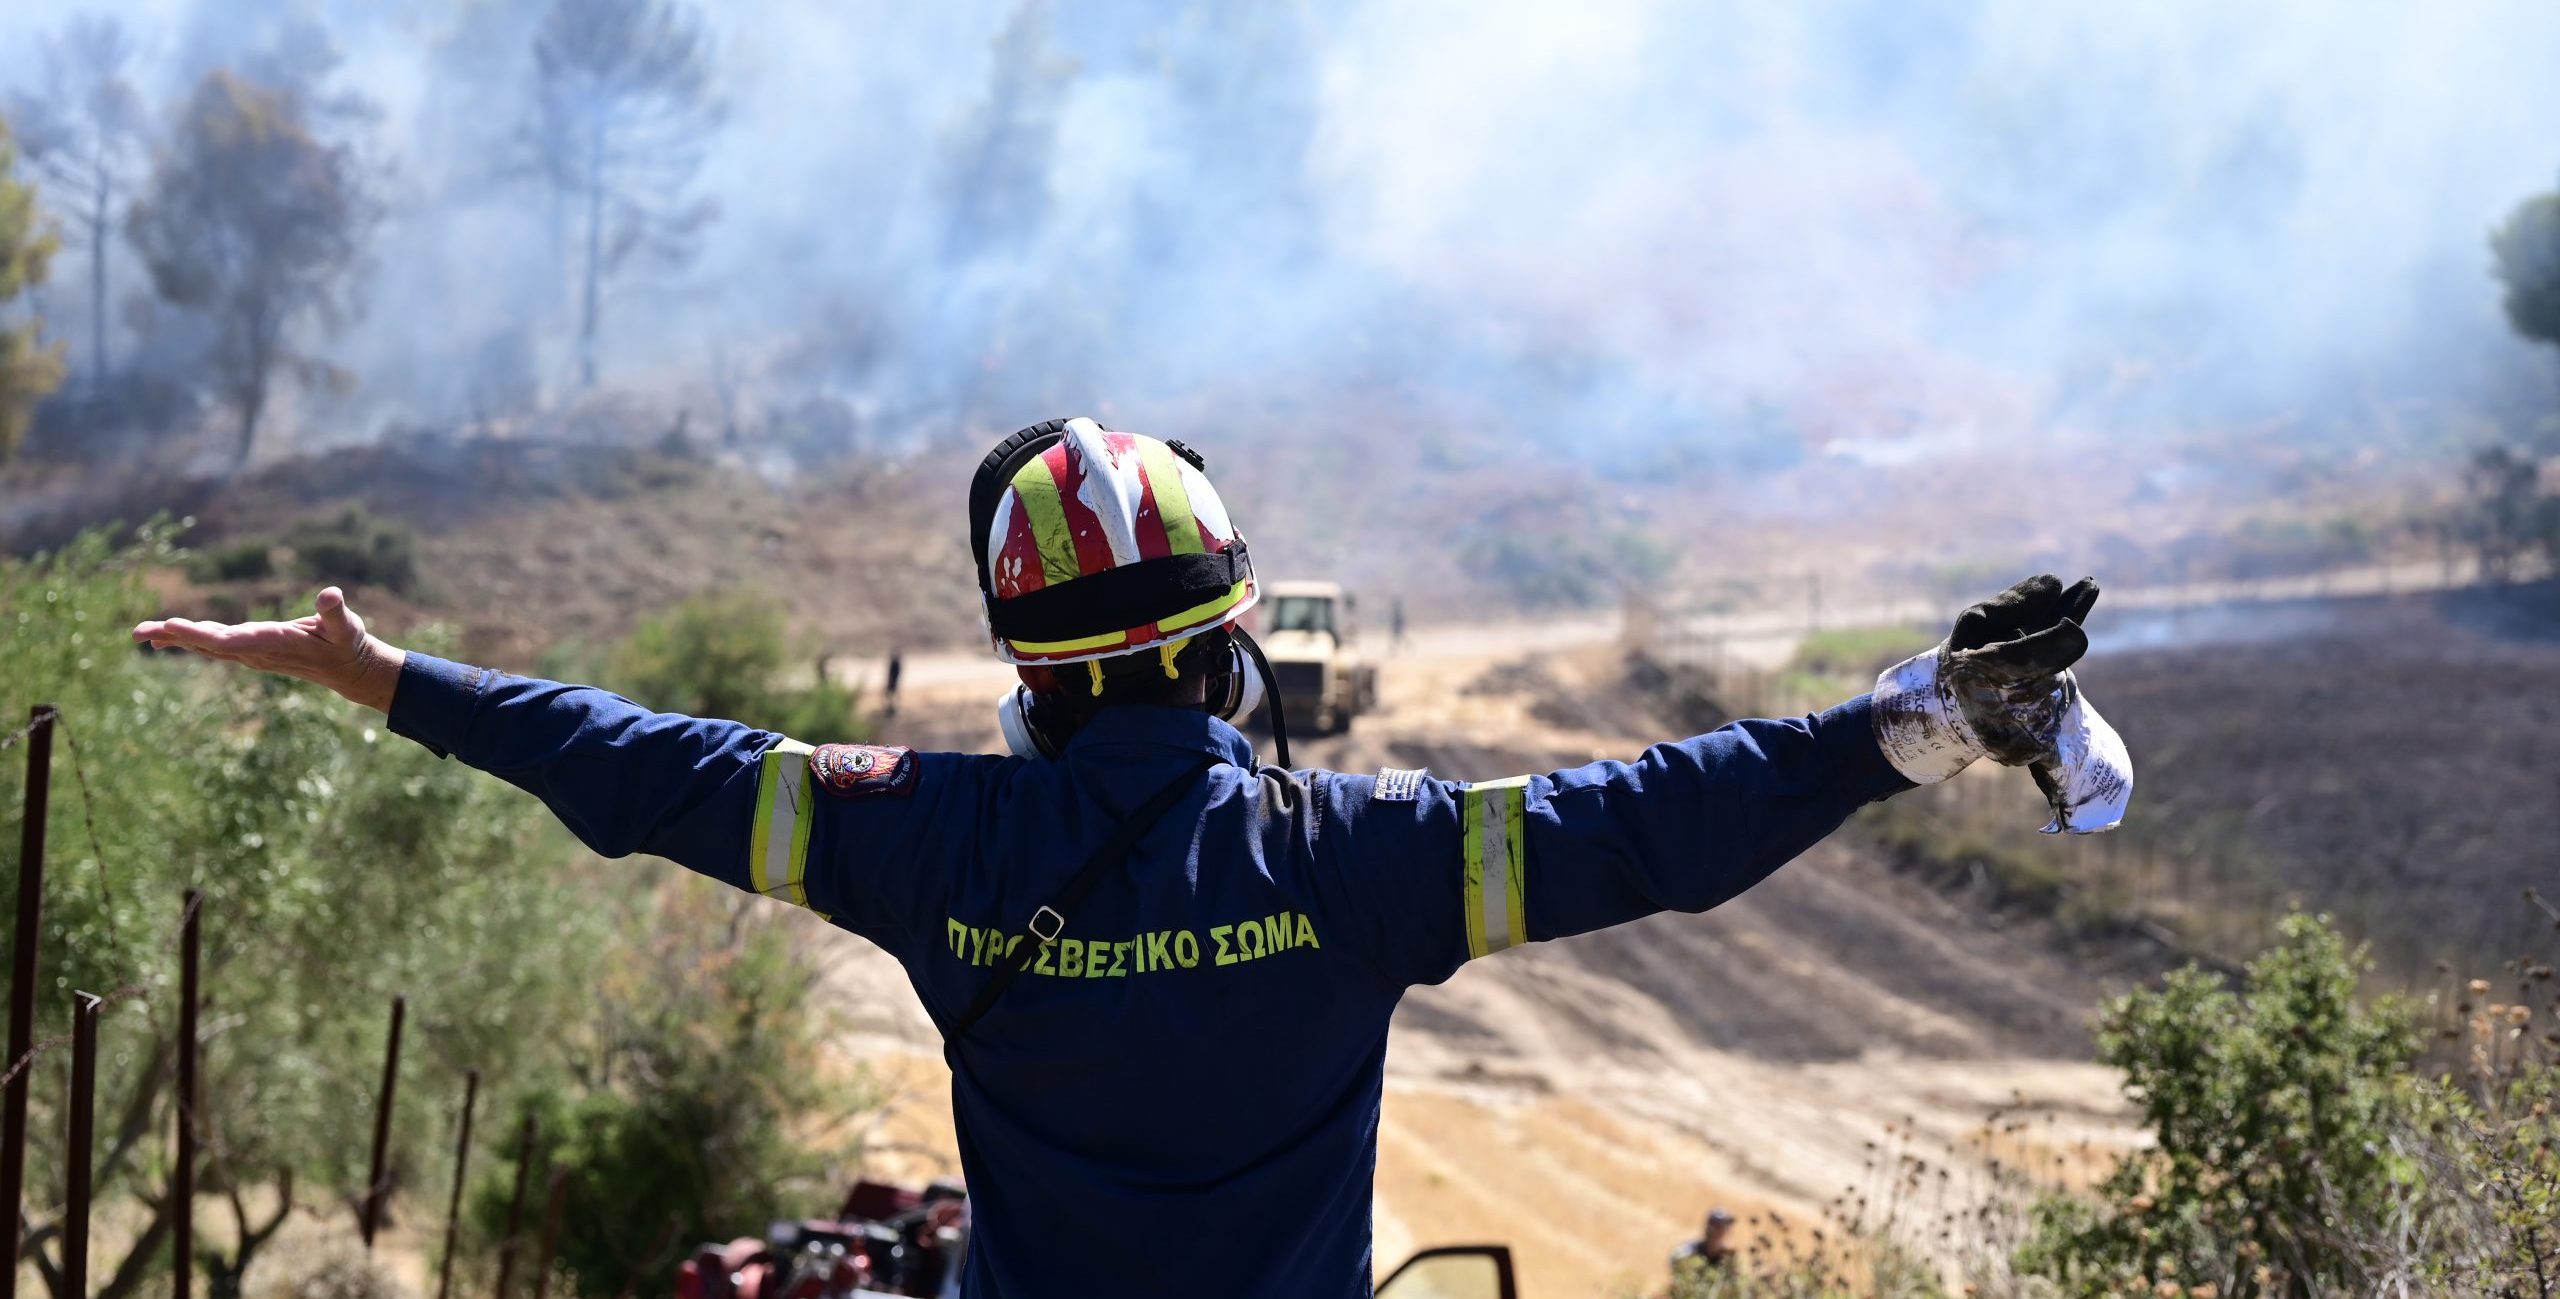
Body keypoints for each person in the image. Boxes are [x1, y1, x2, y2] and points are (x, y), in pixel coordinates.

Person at [132, 416, 2108, 1299]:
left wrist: (385, 678)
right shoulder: (1358, 858)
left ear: (1031, 669)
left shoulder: (923, 837)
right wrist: (1904, 724)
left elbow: (645, 765)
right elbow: (1652, 824)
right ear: (1230, 639)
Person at [1670, 1207, 1737, 1274]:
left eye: (1726, 1228)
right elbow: (1676, 1257)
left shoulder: (1728, 1257)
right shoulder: (1690, 1252)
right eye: (1719, 1228)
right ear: (1710, 1230)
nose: (1724, 1231)